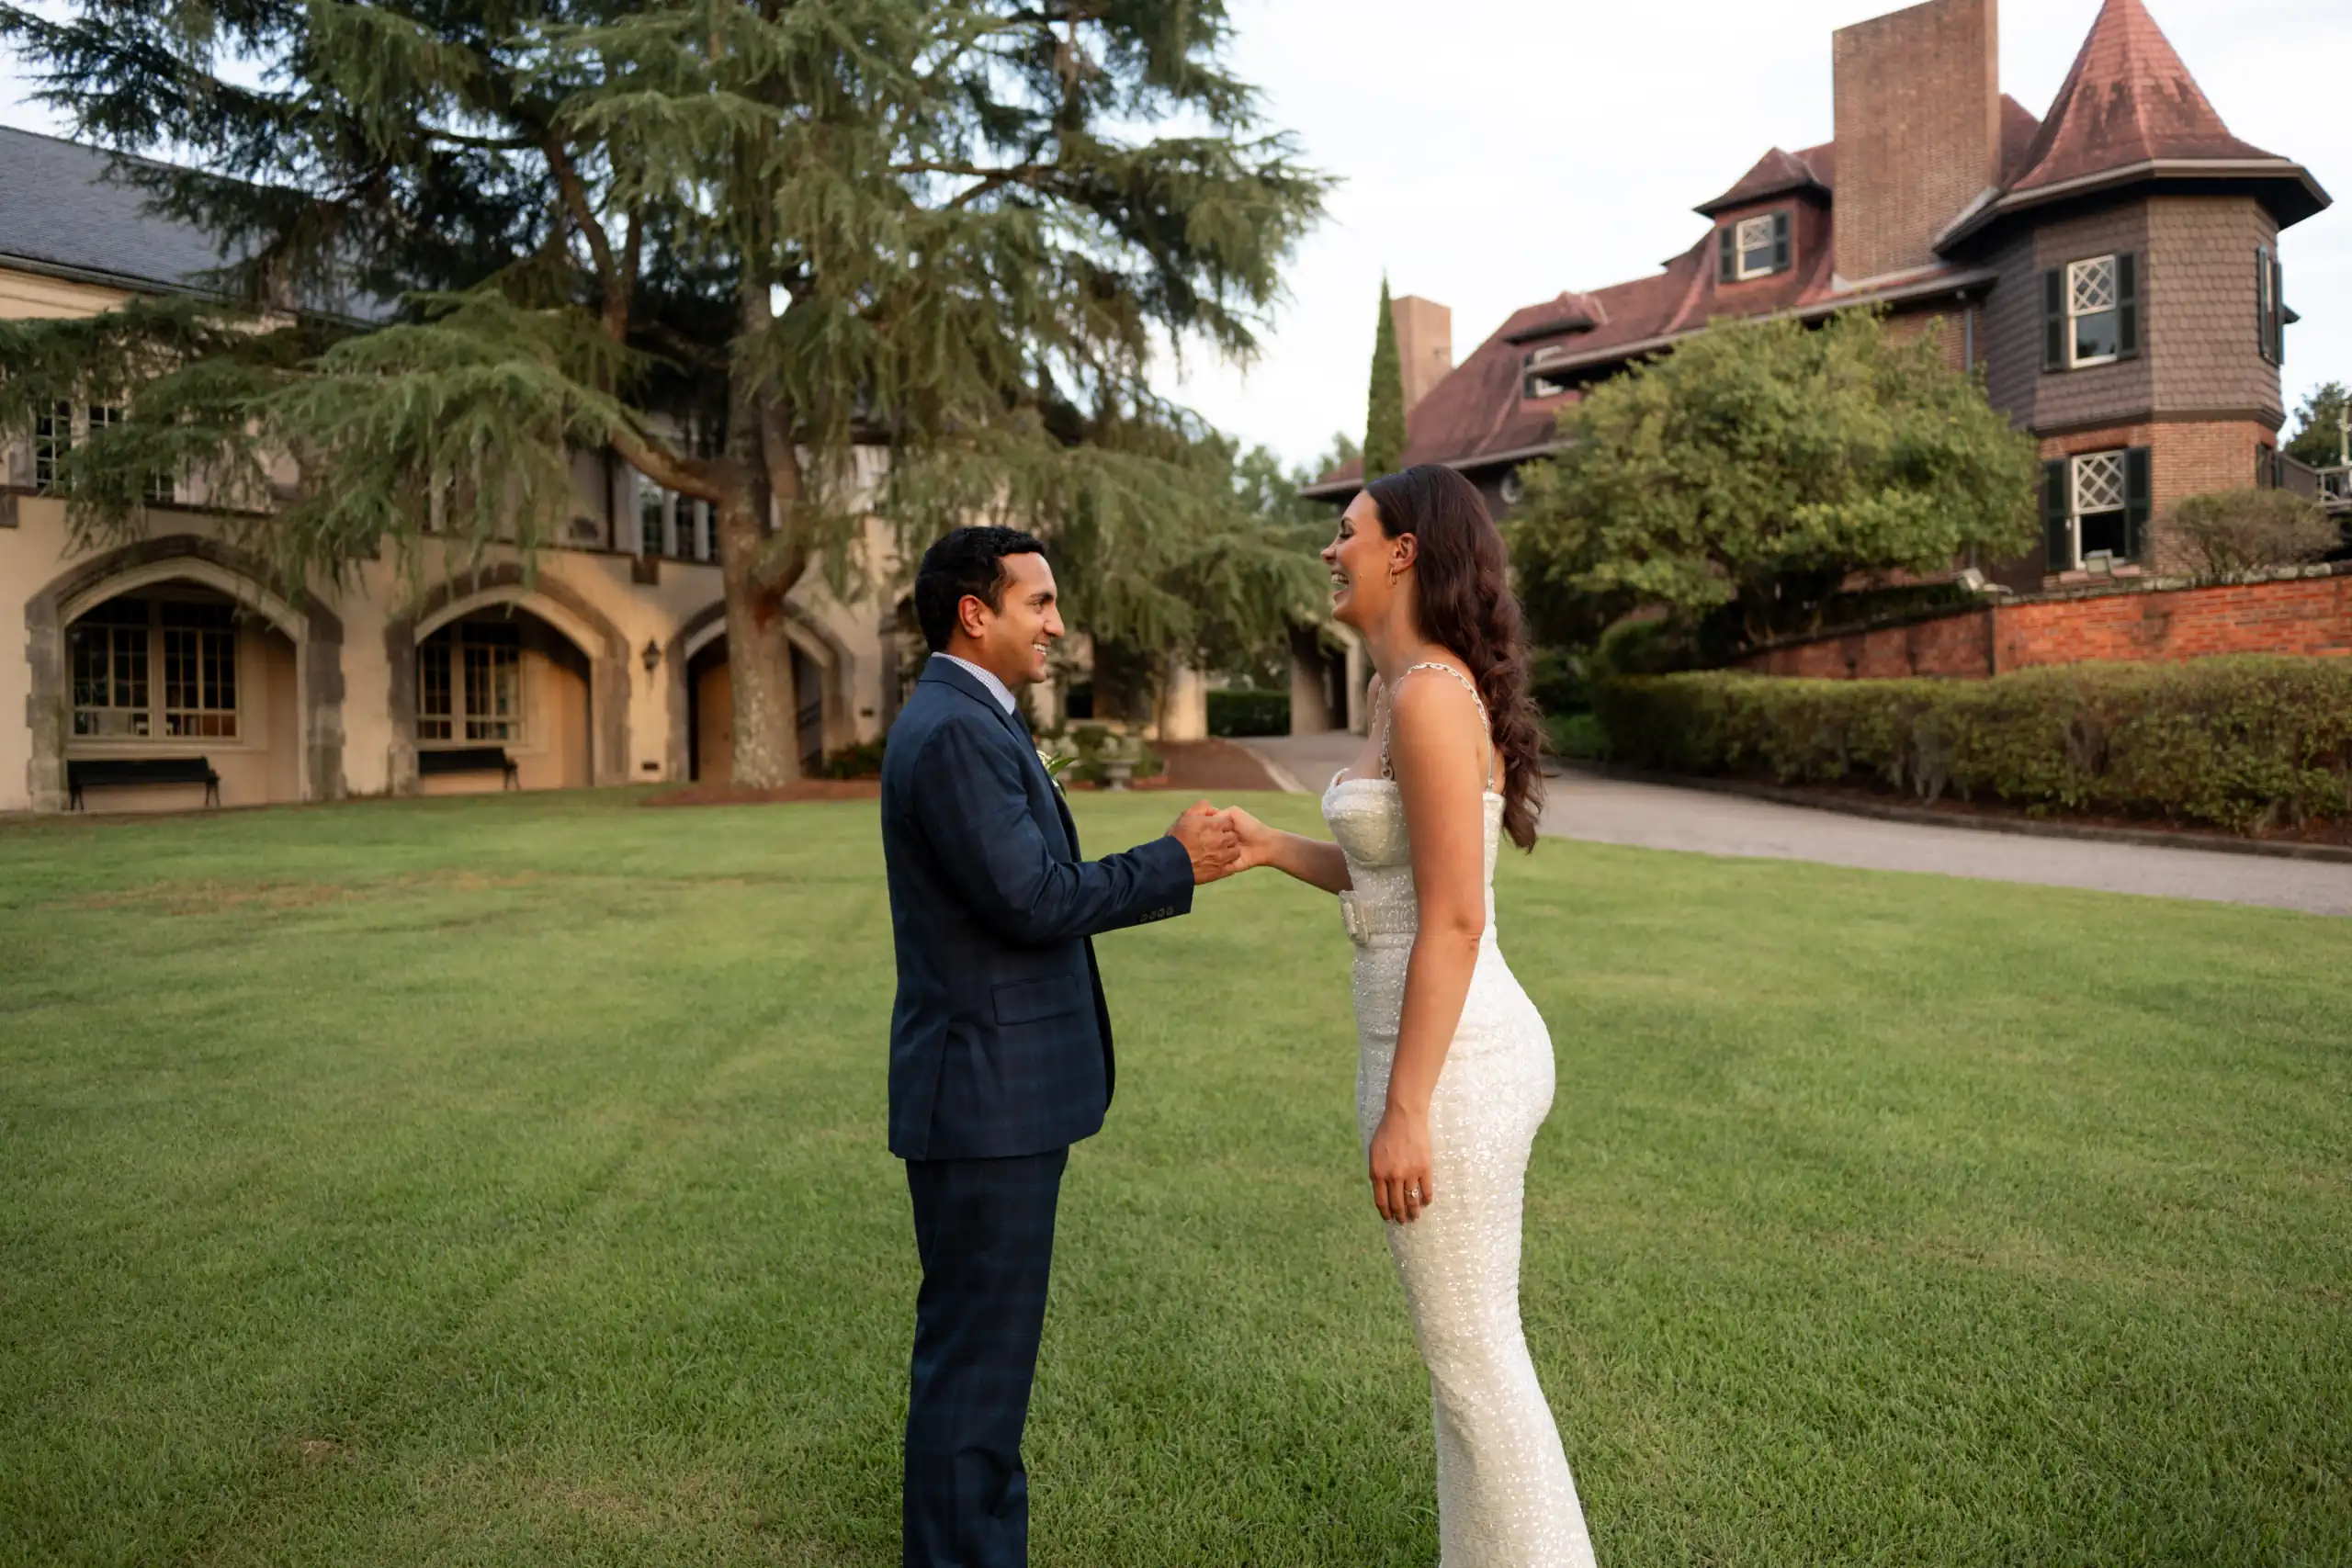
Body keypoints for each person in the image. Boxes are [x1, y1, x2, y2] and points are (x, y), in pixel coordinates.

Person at [1219, 465, 1598, 1565]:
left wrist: (1406, 1108)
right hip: (1437, 1054)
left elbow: (1453, 921)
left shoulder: (1431, 696)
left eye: (1347, 532)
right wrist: (1263, 846)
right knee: (1465, 1366)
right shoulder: (1400, 694)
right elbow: (1384, 878)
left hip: (1457, 1069)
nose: (1329, 551)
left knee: (1474, 1363)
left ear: (1403, 552)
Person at [881, 524, 1239, 1568]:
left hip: (996, 1094)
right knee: (975, 1374)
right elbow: (1030, 897)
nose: (1057, 624)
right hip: (984, 1098)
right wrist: (1172, 862)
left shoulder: (971, 717)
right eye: (1038, 603)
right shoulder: (953, 730)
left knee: (983, 1366)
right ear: (973, 612)